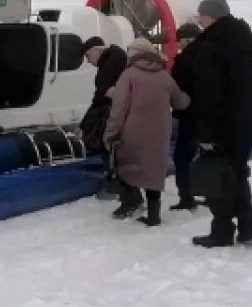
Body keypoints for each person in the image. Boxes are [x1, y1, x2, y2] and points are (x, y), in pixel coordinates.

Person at [189, 0, 252, 247]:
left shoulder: (213, 46)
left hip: (222, 127)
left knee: (218, 177)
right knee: (238, 174)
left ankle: (222, 231)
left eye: (201, 16)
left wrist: (206, 133)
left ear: (211, 16)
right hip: (246, 122)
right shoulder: (246, 40)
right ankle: (247, 225)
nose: (199, 20)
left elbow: (208, 95)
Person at [103, 37, 190, 226]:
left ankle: (130, 203)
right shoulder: (164, 76)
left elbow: (119, 108)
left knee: (125, 166)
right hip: (159, 133)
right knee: (153, 171)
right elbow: (180, 102)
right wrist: (190, 96)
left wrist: (110, 133)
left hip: (132, 132)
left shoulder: (129, 75)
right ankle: (153, 215)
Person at [168, 21, 203, 211]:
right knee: (207, 155)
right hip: (209, 115)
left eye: (180, 40)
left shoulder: (185, 61)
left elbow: (176, 88)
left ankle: (186, 197)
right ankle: (212, 193)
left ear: (187, 40)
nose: (178, 44)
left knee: (182, 157)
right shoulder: (211, 56)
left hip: (189, 115)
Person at [77, 36, 128, 154]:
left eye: (88, 56)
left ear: (97, 50)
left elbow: (99, 98)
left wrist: (83, 126)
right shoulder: (112, 61)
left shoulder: (110, 65)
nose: (88, 61)